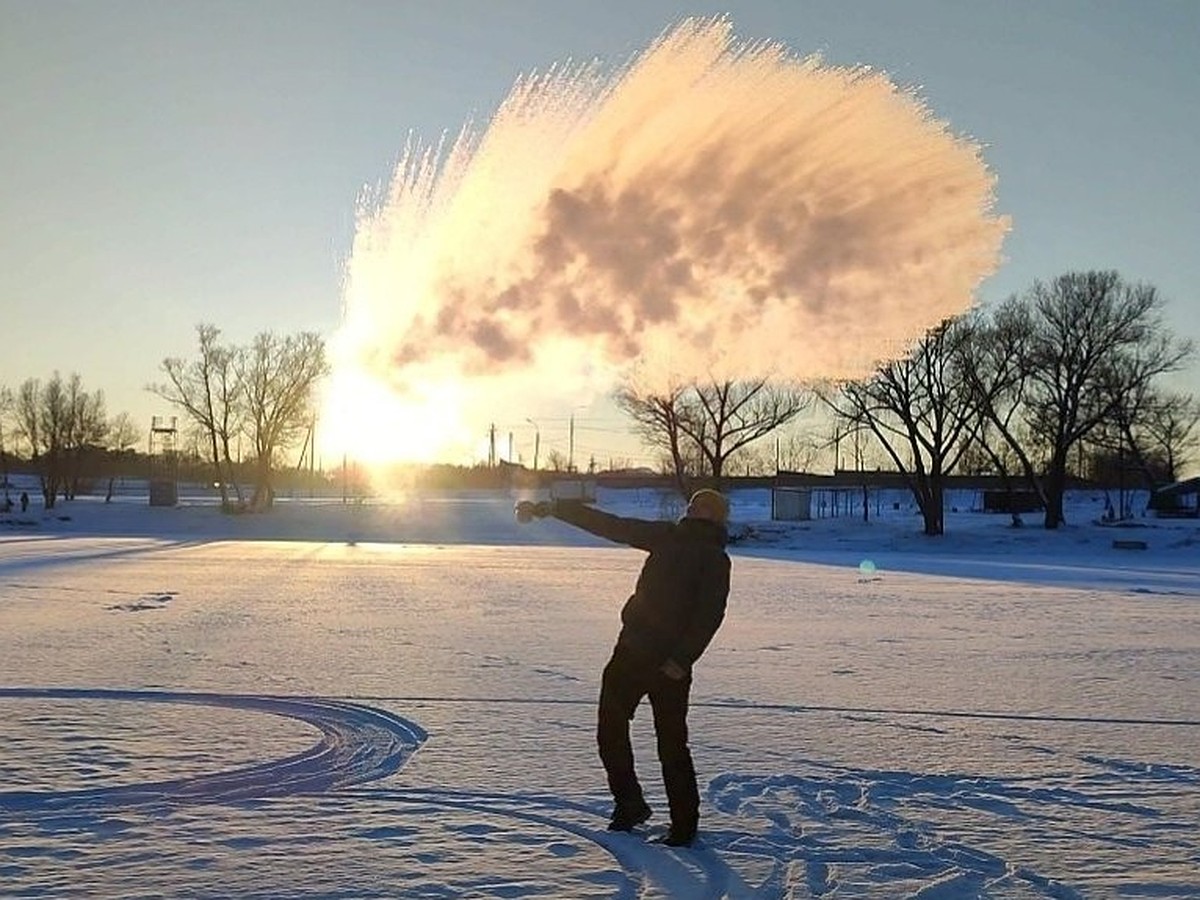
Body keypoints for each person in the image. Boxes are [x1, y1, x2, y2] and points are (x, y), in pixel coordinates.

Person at [516, 489, 731, 846]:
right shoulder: (665, 536)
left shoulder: (714, 558)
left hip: (670, 666)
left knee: (672, 746)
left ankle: (684, 825)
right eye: (693, 503)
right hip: (630, 653)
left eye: (706, 506)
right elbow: (612, 526)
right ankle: (629, 804)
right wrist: (557, 507)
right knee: (609, 730)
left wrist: (681, 660)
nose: (696, 508)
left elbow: (709, 616)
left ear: (718, 517)